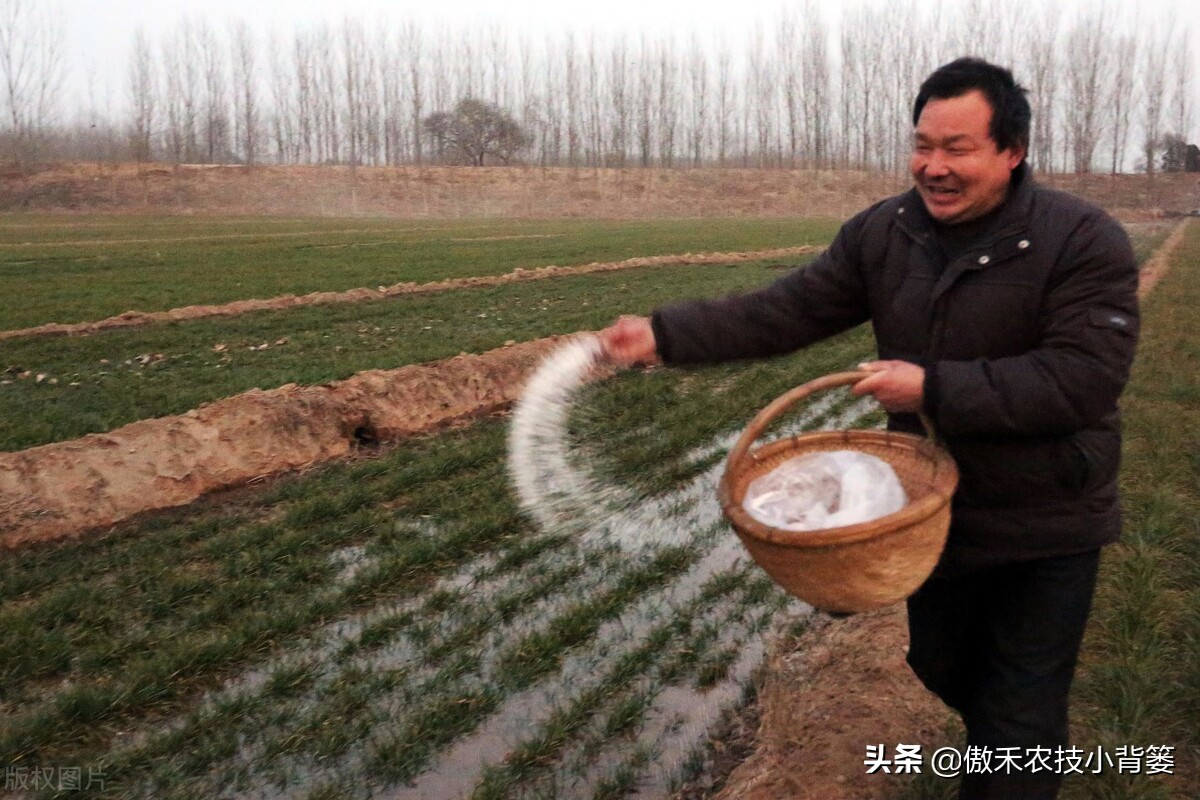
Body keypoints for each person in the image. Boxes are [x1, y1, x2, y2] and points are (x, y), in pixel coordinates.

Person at [598, 57, 1139, 799]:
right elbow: (787, 310)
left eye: (957, 148)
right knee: (947, 671)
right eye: (923, 145)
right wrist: (667, 334)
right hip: (924, 516)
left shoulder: (1081, 240)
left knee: (1019, 715)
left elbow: (1082, 378)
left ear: (1012, 151)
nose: (933, 167)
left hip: (1046, 520)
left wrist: (932, 386)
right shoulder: (886, 233)